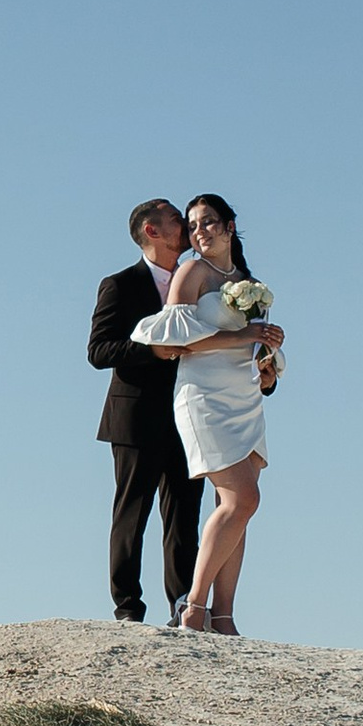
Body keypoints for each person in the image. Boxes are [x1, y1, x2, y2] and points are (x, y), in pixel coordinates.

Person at [129, 192, 284, 635]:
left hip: (245, 397)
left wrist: (266, 365)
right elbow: (172, 343)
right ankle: (193, 607)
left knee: (235, 507)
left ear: (230, 227)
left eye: (209, 223)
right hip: (204, 396)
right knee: (242, 499)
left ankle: (224, 615)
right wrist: (241, 337)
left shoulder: (249, 281)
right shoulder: (191, 271)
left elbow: (252, 346)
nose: (200, 232)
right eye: (194, 225)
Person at [87, 198, 203, 626]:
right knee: (132, 512)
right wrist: (152, 350)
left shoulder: (202, 283)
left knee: (185, 515)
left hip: (190, 413)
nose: (187, 226)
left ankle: (184, 606)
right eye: (177, 219)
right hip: (135, 417)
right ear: (152, 231)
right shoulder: (119, 284)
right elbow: (98, 351)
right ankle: (128, 609)